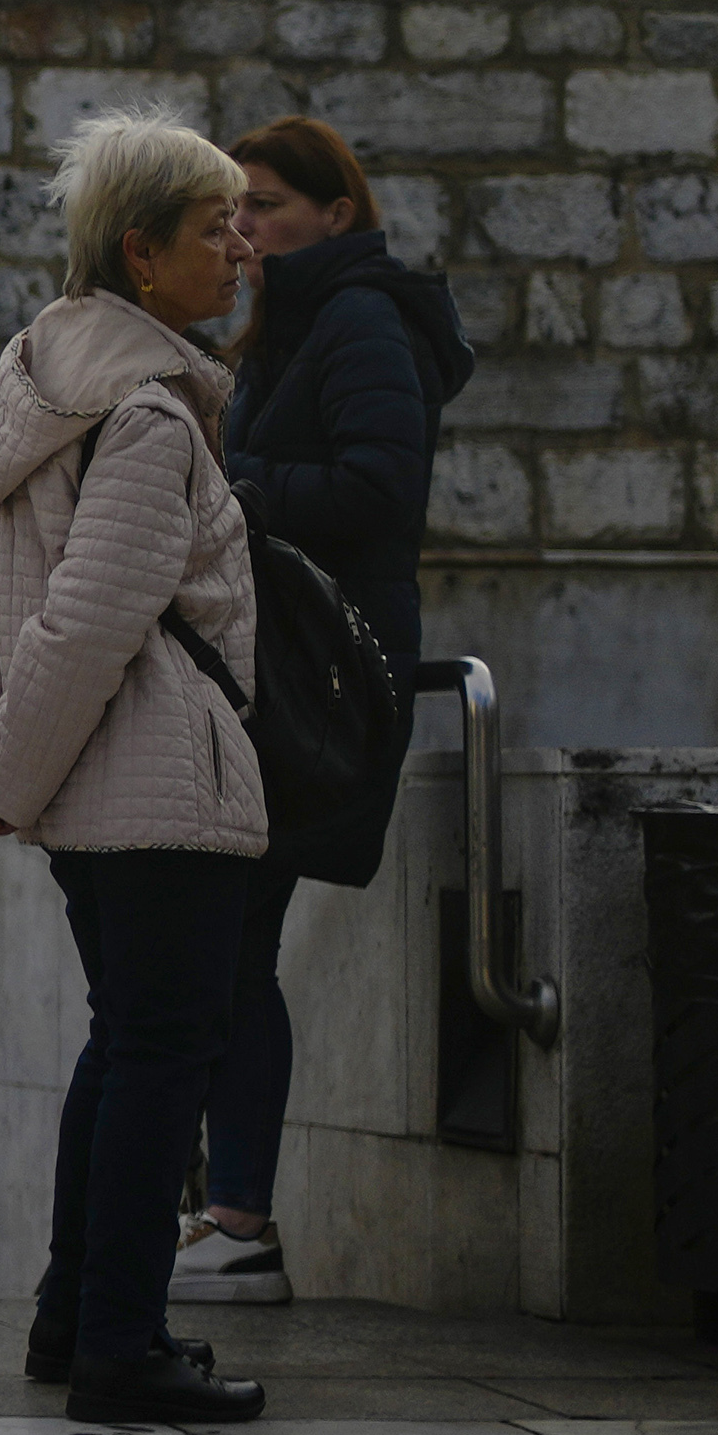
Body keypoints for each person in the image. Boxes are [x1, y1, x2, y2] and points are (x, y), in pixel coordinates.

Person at [0, 112, 271, 1429]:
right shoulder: (143, 413)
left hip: (93, 785)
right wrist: (3, 774)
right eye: (211, 230)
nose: (237, 251)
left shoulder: (45, 384)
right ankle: (119, 1344)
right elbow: (82, 620)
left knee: (125, 1042)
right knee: (163, 1053)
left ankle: (75, 1317)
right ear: (140, 256)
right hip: (153, 785)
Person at [181, 114, 476, 1314]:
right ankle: (224, 1210)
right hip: (281, 672)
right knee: (225, 944)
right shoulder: (290, 331)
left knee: (232, 942)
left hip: (321, 685)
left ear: (333, 216)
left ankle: (238, 1220)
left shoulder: (356, 322)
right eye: (232, 210)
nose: (242, 230)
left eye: (262, 207)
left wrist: (227, 486)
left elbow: (377, 490)